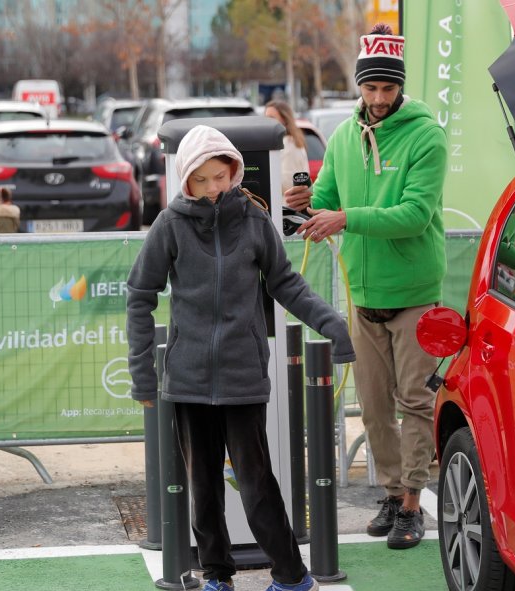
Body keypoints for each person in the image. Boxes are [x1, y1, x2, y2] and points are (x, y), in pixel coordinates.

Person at [126, 124, 355, 591]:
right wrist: (143, 376)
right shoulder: (169, 224)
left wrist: (330, 323)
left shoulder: (254, 220)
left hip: (242, 375)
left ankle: (292, 578)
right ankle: (217, 577)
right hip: (187, 379)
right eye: (202, 178)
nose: (214, 187)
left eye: (221, 176)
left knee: (256, 484)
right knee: (203, 488)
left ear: (234, 171)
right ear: (186, 179)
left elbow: (286, 283)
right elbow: (139, 296)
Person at [283, 23, 447, 550]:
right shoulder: (346, 136)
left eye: (388, 88)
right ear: (359, 86)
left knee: (415, 404)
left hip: (415, 292)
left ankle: (413, 504)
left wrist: (344, 218)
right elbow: (327, 191)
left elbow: (415, 216)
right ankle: (394, 492)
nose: (379, 98)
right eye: (370, 88)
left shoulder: (427, 136)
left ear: (400, 87)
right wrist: (303, 201)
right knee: (374, 406)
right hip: (363, 293)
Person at [264, 100, 310, 193]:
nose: (267, 122)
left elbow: (287, 182)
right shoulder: (288, 141)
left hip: (287, 204)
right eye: (266, 118)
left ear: (285, 120)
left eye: (271, 118)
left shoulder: (289, 144)